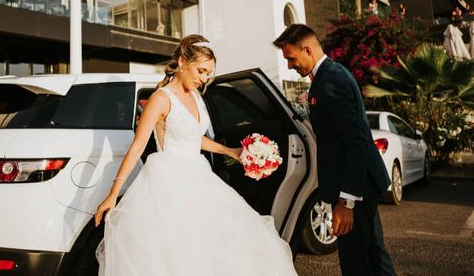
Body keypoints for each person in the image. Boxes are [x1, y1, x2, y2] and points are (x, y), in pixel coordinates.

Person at [94, 34, 297, 276]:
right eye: (201, 71)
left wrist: (231, 151)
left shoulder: (196, 97)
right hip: (168, 183)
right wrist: (113, 194)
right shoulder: (161, 98)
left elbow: (193, 137)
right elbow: (138, 145)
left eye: (207, 74)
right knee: (178, 253)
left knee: (218, 247)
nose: (203, 79)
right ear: (182, 62)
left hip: (200, 177)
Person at [273, 24, 396, 276]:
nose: (289, 65)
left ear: (307, 49)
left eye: (291, 58)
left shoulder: (331, 81)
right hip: (357, 185)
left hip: (354, 188)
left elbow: (356, 141)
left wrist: (347, 203)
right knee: (371, 253)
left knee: (358, 261)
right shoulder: (327, 77)